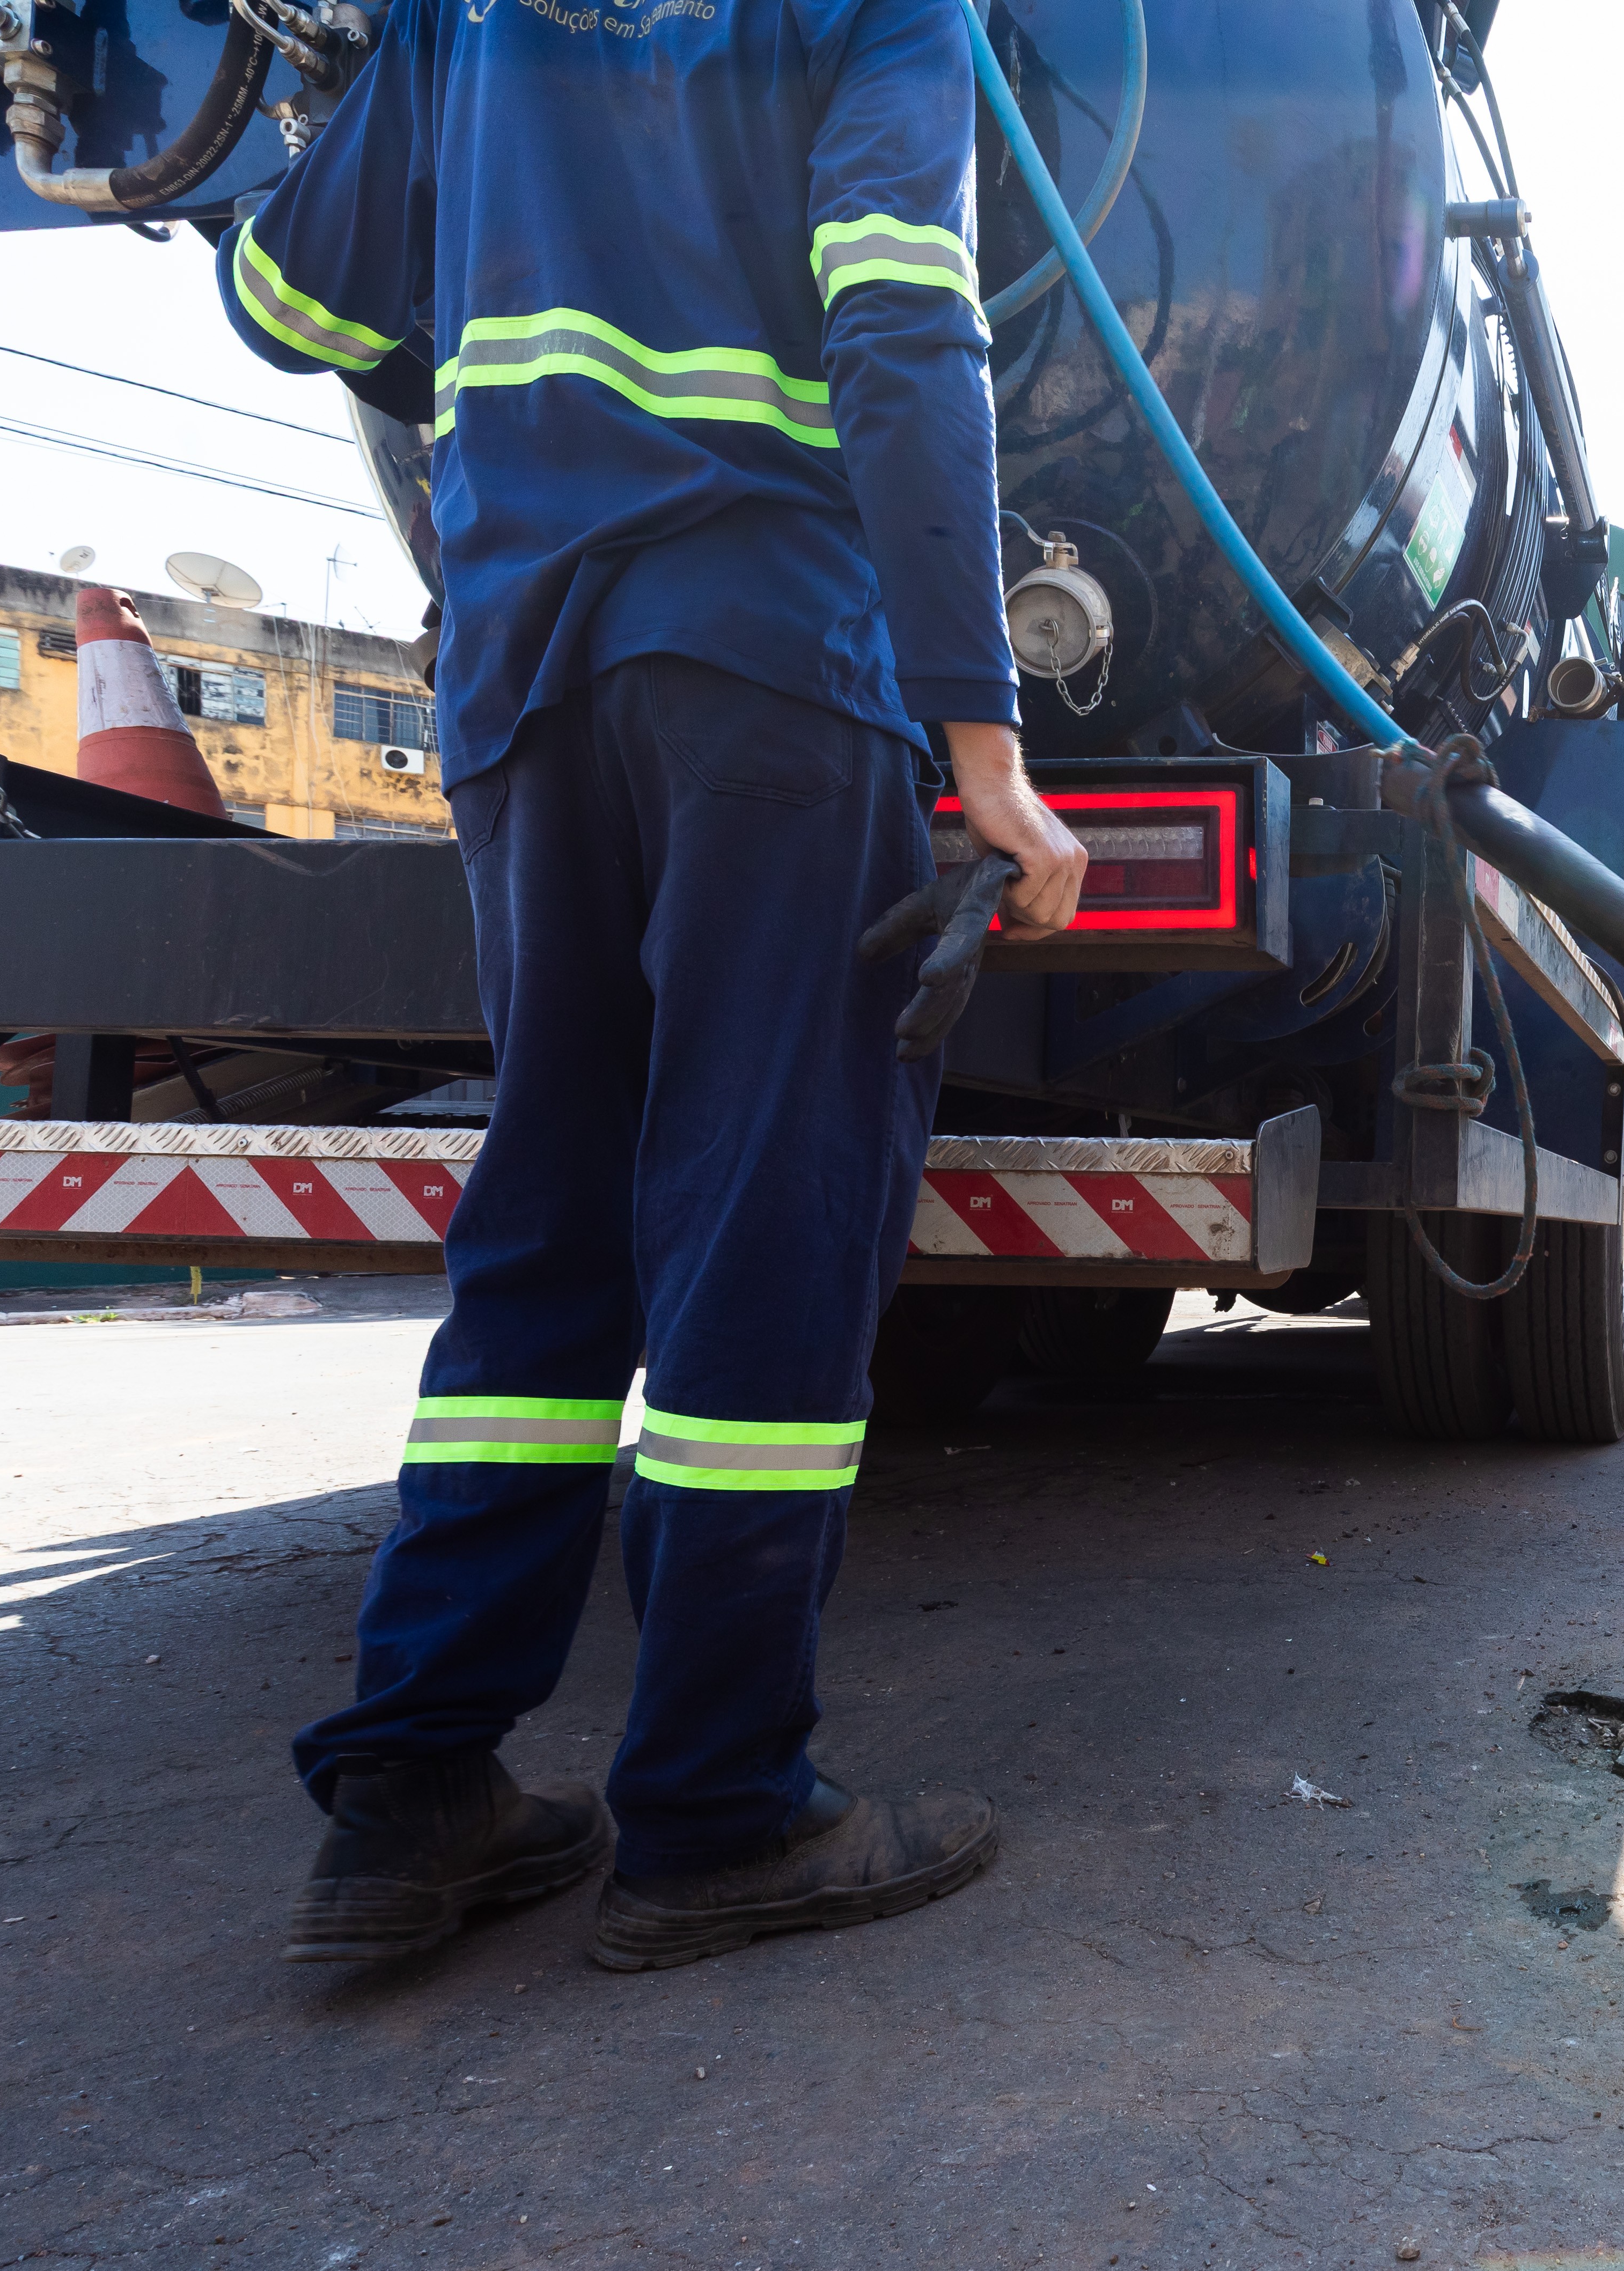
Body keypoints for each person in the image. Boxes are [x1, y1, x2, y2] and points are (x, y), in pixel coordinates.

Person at [221, 0, 1089, 1969]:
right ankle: (712, 1809)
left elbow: (285, 295)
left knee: (545, 1224)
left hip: (522, 677)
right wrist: (986, 750)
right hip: (767, 668)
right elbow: (900, 329)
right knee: (760, 1218)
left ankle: (413, 1782)